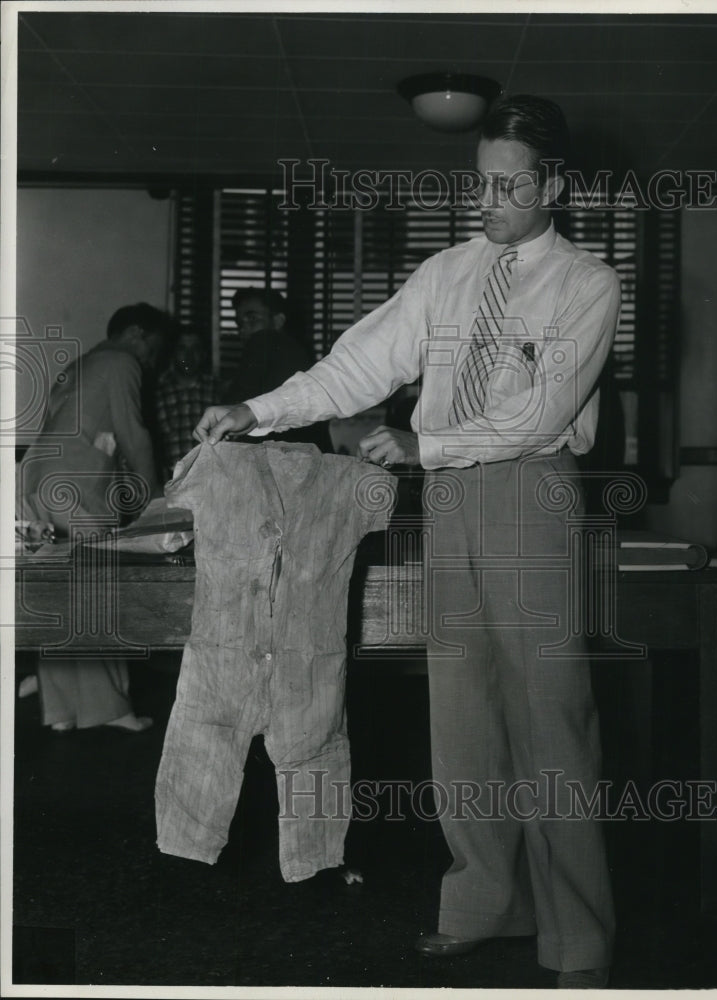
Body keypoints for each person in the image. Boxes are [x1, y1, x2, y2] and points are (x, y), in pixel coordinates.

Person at [195, 96, 618, 988]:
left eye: (508, 185)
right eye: (480, 183)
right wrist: (257, 410)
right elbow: (360, 362)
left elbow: (542, 411)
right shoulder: (447, 272)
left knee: (552, 715)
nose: (487, 200)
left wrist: (431, 444)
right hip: (451, 500)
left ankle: (577, 936)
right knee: (461, 718)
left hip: (530, 493)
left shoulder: (588, 282)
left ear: (557, 184)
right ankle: (484, 903)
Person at [19, 302, 172, 733]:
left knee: (57, 595)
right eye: (154, 350)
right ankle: (109, 709)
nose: (152, 362)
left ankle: (63, 710)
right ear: (137, 334)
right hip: (75, 487)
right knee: (93, 589)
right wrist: (153, 496)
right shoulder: (122, 361)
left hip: (34, 480)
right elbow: (132, 431)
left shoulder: (80, 363)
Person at [223, 287, 332, 451]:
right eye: (240, 323)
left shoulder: (263, 341)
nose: (243, 330)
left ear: (279, 320)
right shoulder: (296, 349)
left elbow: (232, 407)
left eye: (252, 319)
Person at [154, 327, 220, 480]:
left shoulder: (218, 391)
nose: (189, 356)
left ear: (204, 354)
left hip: (211, 479)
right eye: (182, 349)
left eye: (195, 349)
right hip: (170, 482)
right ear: (173, 353)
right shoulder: (157, 393)